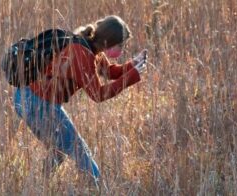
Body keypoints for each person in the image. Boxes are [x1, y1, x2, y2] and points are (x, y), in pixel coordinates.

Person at [13, 15, 147, 185]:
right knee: (80, 151)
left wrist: (133, 65)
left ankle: (36, 186)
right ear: (109, 41)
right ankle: (97, 187)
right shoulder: (81, 53)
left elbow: (110, 72)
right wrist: (132, 76)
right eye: (120, 45)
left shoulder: (92, 48)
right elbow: (98, 95)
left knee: (59, 149)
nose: (122, 49)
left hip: (31, 99)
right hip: (36, 103)